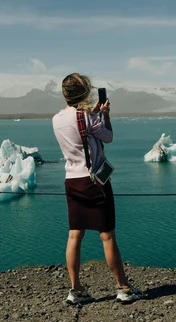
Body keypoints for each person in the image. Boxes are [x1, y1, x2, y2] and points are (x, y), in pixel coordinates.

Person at [52, 72, 143, 305]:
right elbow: (108, 137)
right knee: (107, 236)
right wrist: (105, 115)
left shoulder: (56, 119)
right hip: (95, 182)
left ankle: (76, 290)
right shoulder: (87, 117)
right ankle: (123, 288)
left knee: (74, 235)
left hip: (72, 181)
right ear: (85, 92)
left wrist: (92, 113)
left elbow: (77, 132)